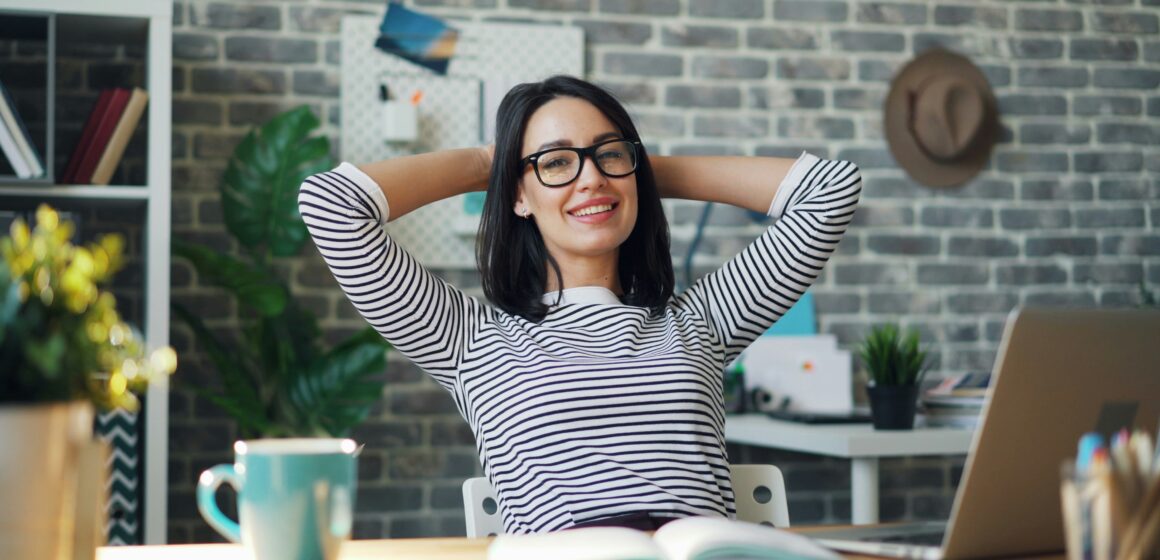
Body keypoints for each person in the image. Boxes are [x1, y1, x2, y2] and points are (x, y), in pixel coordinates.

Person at [298, 75, 861, 534]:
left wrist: (631, 170)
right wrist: (490, 163)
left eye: (608, 154)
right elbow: (330, 205)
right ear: (518, 193)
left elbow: (830, 191)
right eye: (556, 163)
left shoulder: (701, 323)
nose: (589, 178)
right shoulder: (469, 340)